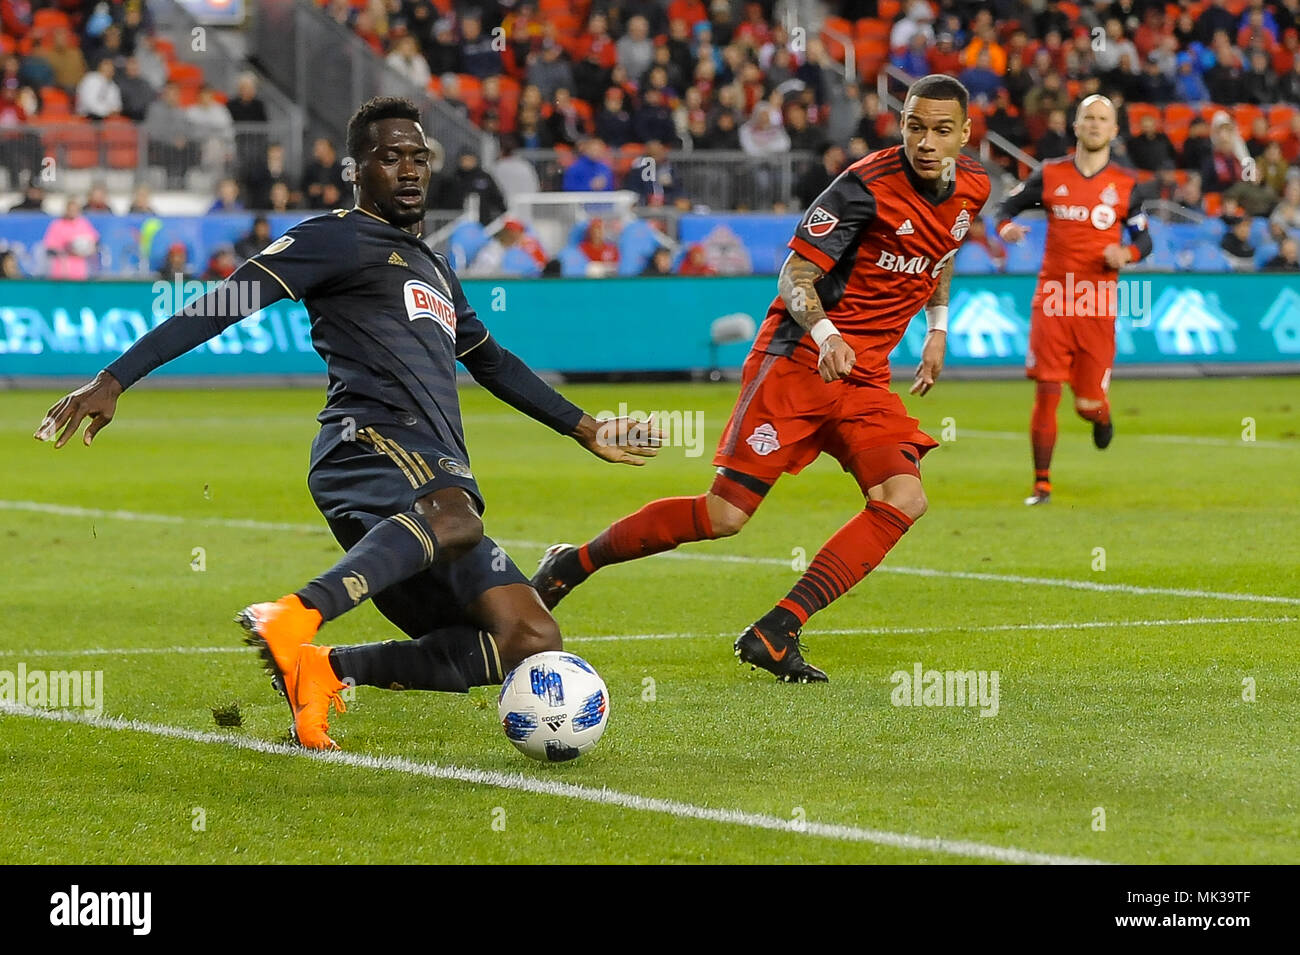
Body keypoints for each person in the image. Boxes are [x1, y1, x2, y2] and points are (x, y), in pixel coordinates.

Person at [35, 96, 657, 751]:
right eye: (391, 158)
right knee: (456, 515)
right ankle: (294, 615)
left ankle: (323, 671)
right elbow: (228, 300)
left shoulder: (437, 269)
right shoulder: (334, 236)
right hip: (365, 446)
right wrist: (115, 377)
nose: (410, 170)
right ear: (357, 171)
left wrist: (587, 427)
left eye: (419, 157)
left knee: (527, 636)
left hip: (429, 474)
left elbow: (493, 362)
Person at [532, 75, 992, 683]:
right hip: (798, 358)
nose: (926, 142)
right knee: (725, 516)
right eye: (914, 126)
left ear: (964, 133)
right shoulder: (861, 188)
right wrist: (827, 336)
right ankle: (573, 563)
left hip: (865, 378)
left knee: (903, 498)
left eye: (940, 130)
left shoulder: (975, 188)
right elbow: (794, 275)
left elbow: (944, 249)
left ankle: (778, 630)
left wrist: (937, 327)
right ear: (900, 122)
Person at [994, 95, 1156, 506]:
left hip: (1098, 303)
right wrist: (1007, 227)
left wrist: (1128, 254)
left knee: (1087, 405)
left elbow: (1144, 238)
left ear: (1114, 130)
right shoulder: (1050, 175)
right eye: (1089, 118)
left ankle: (1100, 415)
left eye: (1104, 119)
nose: (1096, 124)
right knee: (1047, 388)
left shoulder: (1125, 184)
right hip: (1053, 297)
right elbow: (1005, 207)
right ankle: (1042, 484)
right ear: (1076, 126)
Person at [43, 196, 100, 280]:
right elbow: (50, 249)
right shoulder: (57, 225)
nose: (72, 212)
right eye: (70, 210)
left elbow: (95, 242)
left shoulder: (82, 223)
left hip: (80, 271)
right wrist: (68, 249)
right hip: (61, 270)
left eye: (75, 210)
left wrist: (89, 250)